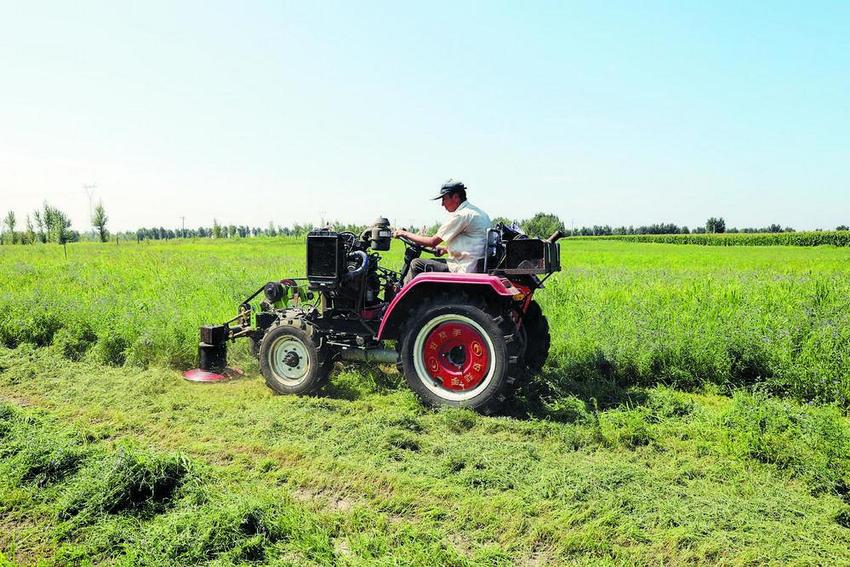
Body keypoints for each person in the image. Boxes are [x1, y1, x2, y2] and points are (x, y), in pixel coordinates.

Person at [393, 179, 491, 284]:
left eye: (444, 199)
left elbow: (432, 241)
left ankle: (405, 299)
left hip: (463, 269)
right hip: (473, 265)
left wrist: (403, 233)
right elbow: (472, 242)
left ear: (456, 197)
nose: (442, 204)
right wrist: (445, 250)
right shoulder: (479, 213)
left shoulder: (462, 215)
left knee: (416, 264)